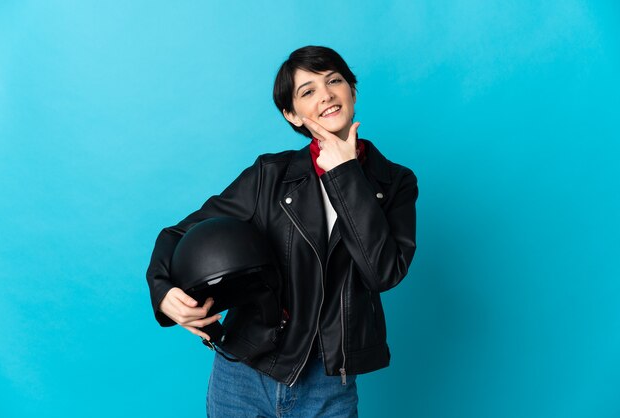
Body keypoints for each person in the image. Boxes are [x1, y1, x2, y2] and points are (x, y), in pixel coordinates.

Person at [145, 45, 418, 417]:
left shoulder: (396, 182)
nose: (326, 95)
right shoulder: (269, 176)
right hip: (244, 371)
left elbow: (382, 272)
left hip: (327, 383)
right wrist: (163, 292)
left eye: (334, 81)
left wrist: (344, 173)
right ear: (292, 114)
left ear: (352, 91)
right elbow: (177, 235)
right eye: (307, 91)